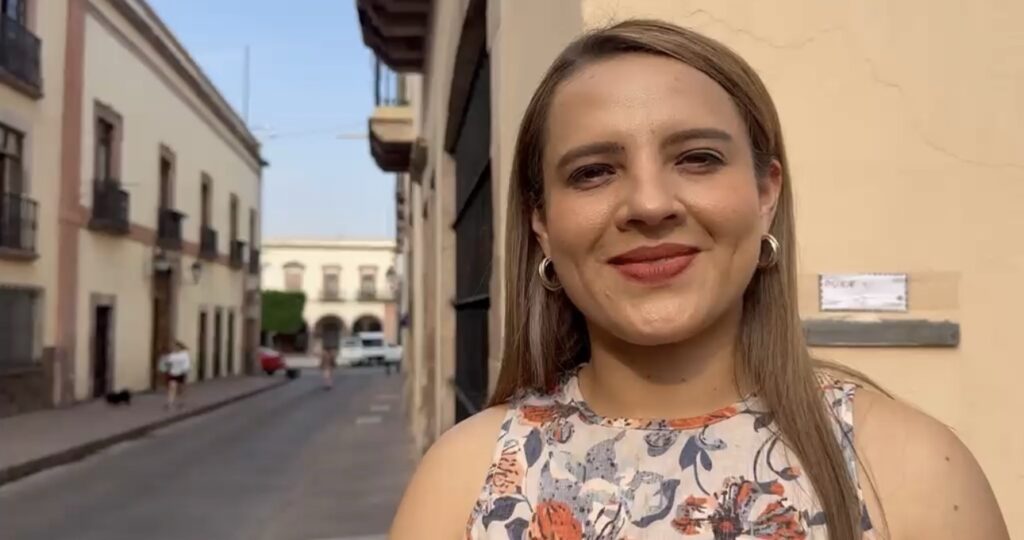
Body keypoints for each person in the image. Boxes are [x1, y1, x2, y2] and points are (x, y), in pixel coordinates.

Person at [390, 20, 1009, 540]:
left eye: (698, 158)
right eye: (594, 171)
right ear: (542, 224)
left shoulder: (909, 473)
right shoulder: (461, 482)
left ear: (765, 195)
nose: (649, 204)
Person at [162, 341, 191, 410]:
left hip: (181, 373)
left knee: (180, 390)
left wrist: (185, 371)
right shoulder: (172, 355)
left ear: (180, 348)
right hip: (173, 373)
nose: (175, 348)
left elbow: (187, 364)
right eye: (174, 347)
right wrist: (167, 367)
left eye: (176, 347)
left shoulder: (184, 354)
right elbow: (167, 363)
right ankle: (170, 403)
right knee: (172, 388)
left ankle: (181, 403)